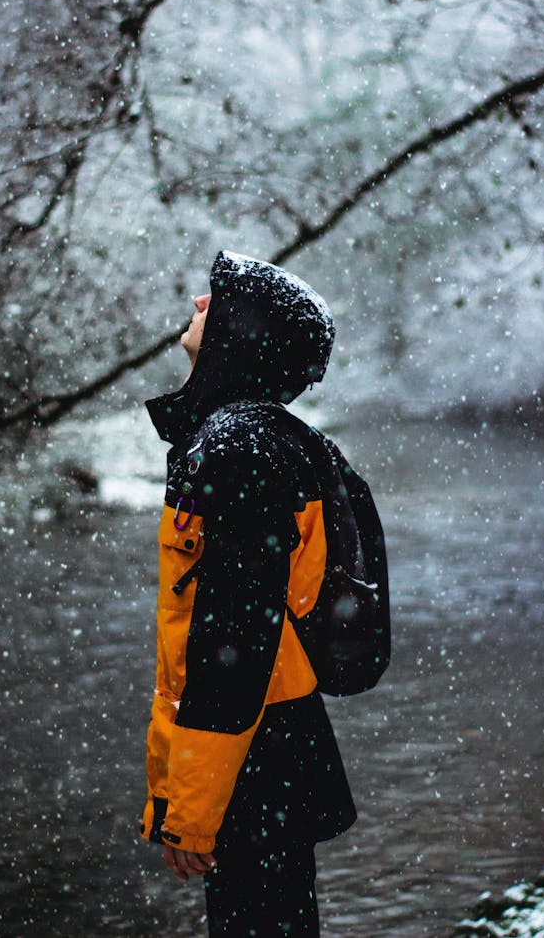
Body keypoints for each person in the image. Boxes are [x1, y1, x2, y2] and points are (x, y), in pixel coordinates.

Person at [140, 250, 369, 937]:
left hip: (254, 756)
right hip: (271, 752)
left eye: (219, 300)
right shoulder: (263, 438)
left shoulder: (240, 448)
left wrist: (193, 807)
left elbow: (232, 642)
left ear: (247, 335)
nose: (201, 304)